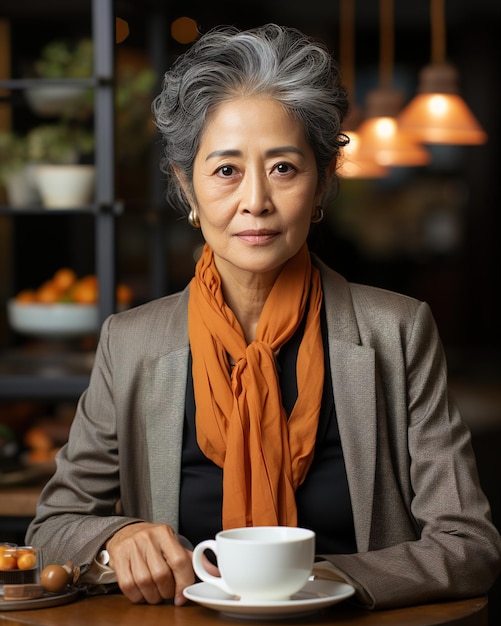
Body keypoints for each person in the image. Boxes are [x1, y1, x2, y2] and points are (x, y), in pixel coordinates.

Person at [26, 23, 501, 610]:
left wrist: (319, 586)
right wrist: (116, 537)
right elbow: (50, 532)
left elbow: (468, 544)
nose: (256, 200)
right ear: (186, 186)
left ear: (324, 180)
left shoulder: (396, 331)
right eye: (226, 170)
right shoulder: (131, 343)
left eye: (284, 168)